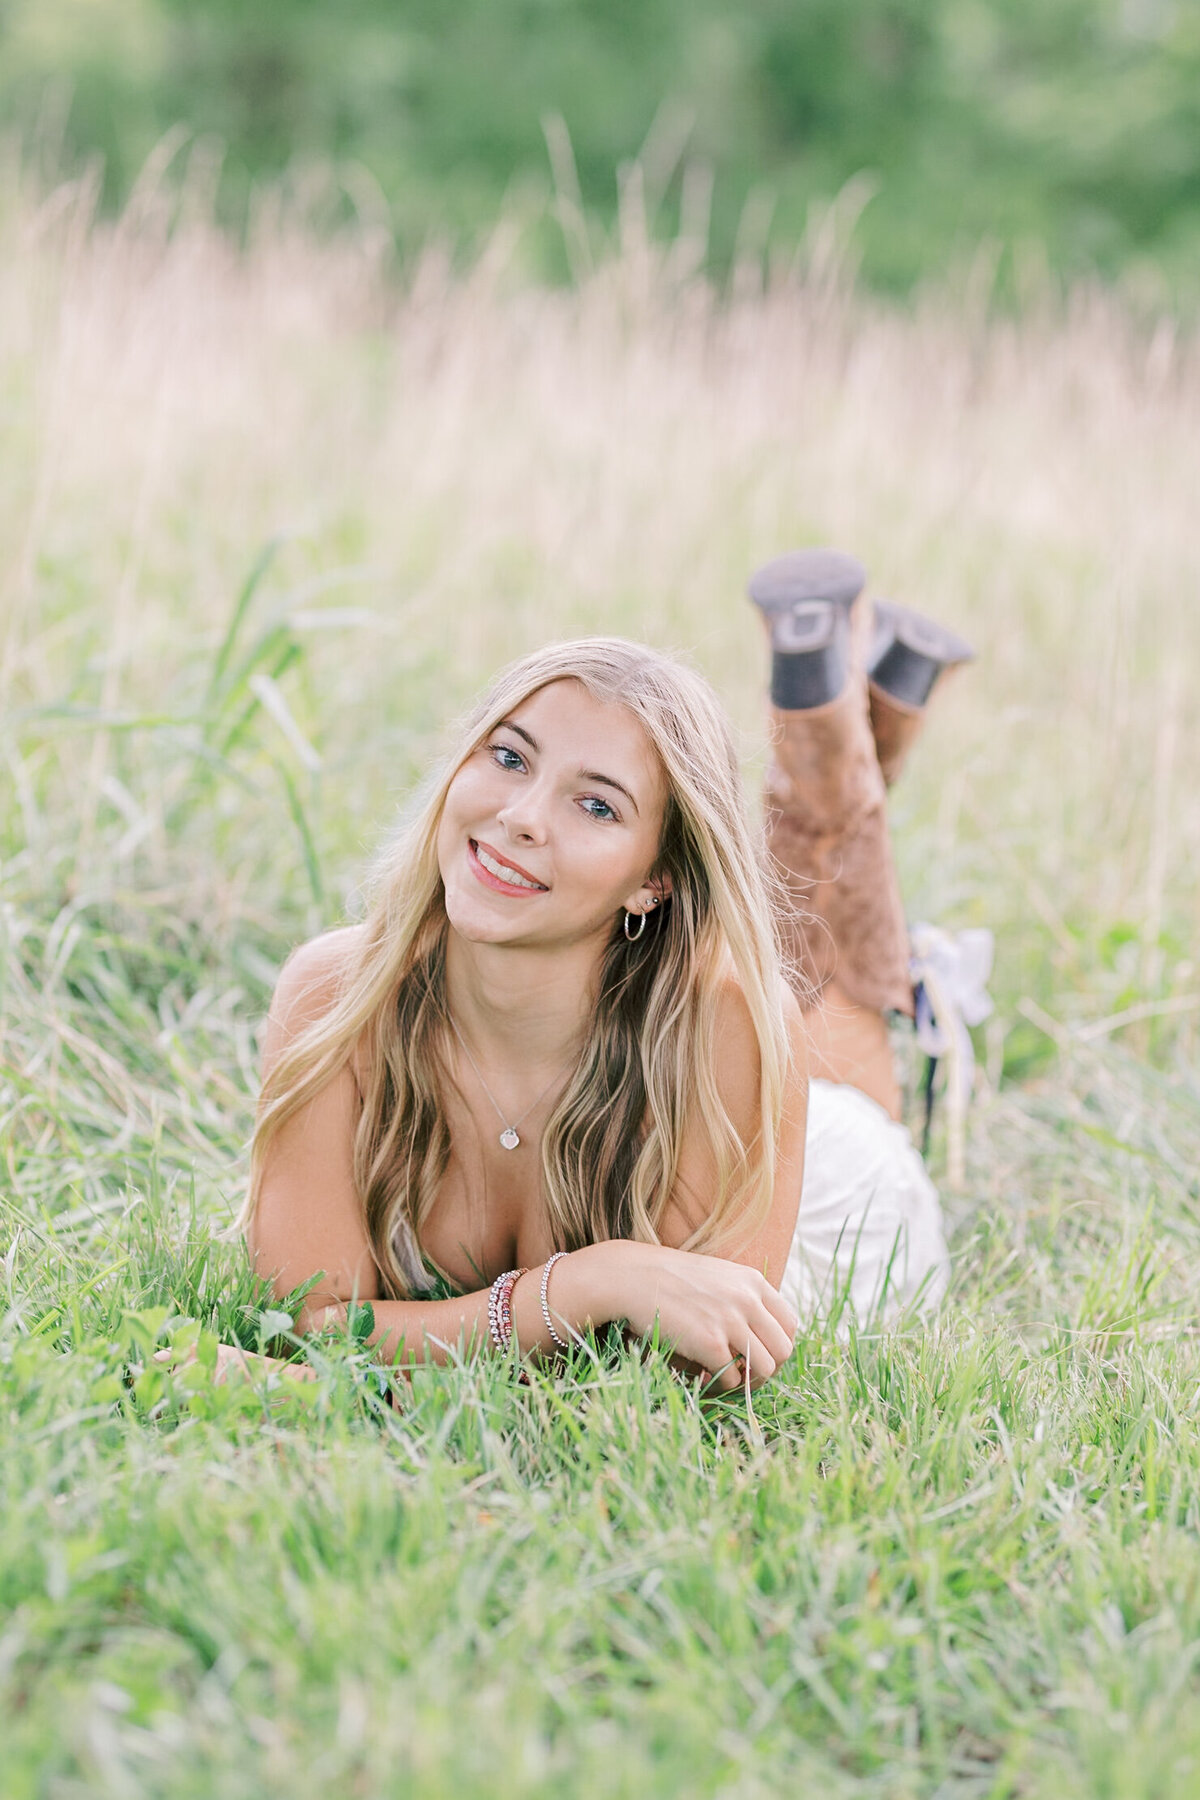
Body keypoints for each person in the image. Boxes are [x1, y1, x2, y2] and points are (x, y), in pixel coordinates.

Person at [237, 551, 972, 1392]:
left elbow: (691, 1380)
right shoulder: (336, 996)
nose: (518, 819)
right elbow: (307, 1327)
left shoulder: (727, 1026)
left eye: (596, 805)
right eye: (510, 758)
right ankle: (846, 740)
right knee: (796, 990)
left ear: (653, 879)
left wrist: (356, 1367)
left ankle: (840, 764)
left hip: (848, 1197)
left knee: (837, 1047)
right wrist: (591, 1283)